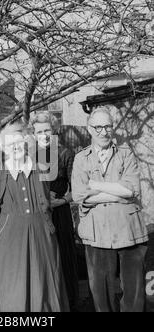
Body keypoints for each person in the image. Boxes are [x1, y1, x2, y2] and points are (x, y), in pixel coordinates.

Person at [72, 107, 148, 312]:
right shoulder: (81, 159)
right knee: (101, 293)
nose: (103, 132)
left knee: (134, 293)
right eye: (98, 127)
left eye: (107, 126)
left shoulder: (126, 154)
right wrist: (119, 193)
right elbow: (79, 194)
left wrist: (95, 186)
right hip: (97, 232)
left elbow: (131, 188)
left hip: (129, 229)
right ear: (89, 128)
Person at [0, 120, 69, 312]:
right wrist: (1, 230)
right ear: (3, 148)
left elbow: (47, 199)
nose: (15, 147)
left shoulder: (41, 168)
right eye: (10, 144)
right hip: (10, 237)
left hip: (41, 232)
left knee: (45, 280)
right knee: (14, 285)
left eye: (19, 142)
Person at [31, 111, 79, 311]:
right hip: (35, 214)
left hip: (59, 213)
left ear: (54, 131)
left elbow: (77, 188)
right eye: (39, 131)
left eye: (47, 130)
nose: (43, 135)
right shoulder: (26, 154)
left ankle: (70, 303)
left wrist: (59, 201)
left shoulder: (65, 153)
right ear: (33, 134)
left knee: (64, 258)